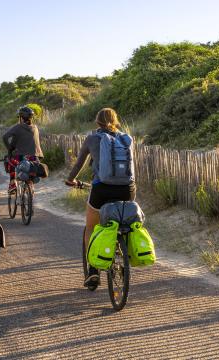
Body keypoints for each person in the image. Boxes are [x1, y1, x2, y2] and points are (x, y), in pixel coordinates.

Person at [65, 108, 136, 288]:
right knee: (124, 223)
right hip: (127, 189)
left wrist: (71, 180)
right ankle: (124, 252)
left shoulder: (92, 139)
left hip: (102, 189)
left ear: (97, 122)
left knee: (91, 227)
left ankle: (93, 270)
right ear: (116, 120)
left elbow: (79, 164)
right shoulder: (126, 139)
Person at [2, 106, 44, 194]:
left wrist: (9, 148)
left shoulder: (18, 127)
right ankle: (31, 184)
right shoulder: (35, 128)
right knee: (30, 169)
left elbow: (5, 137)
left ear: (21, 117)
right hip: (35, 157)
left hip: (20, 157)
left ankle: (13, 184)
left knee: (9, 160)